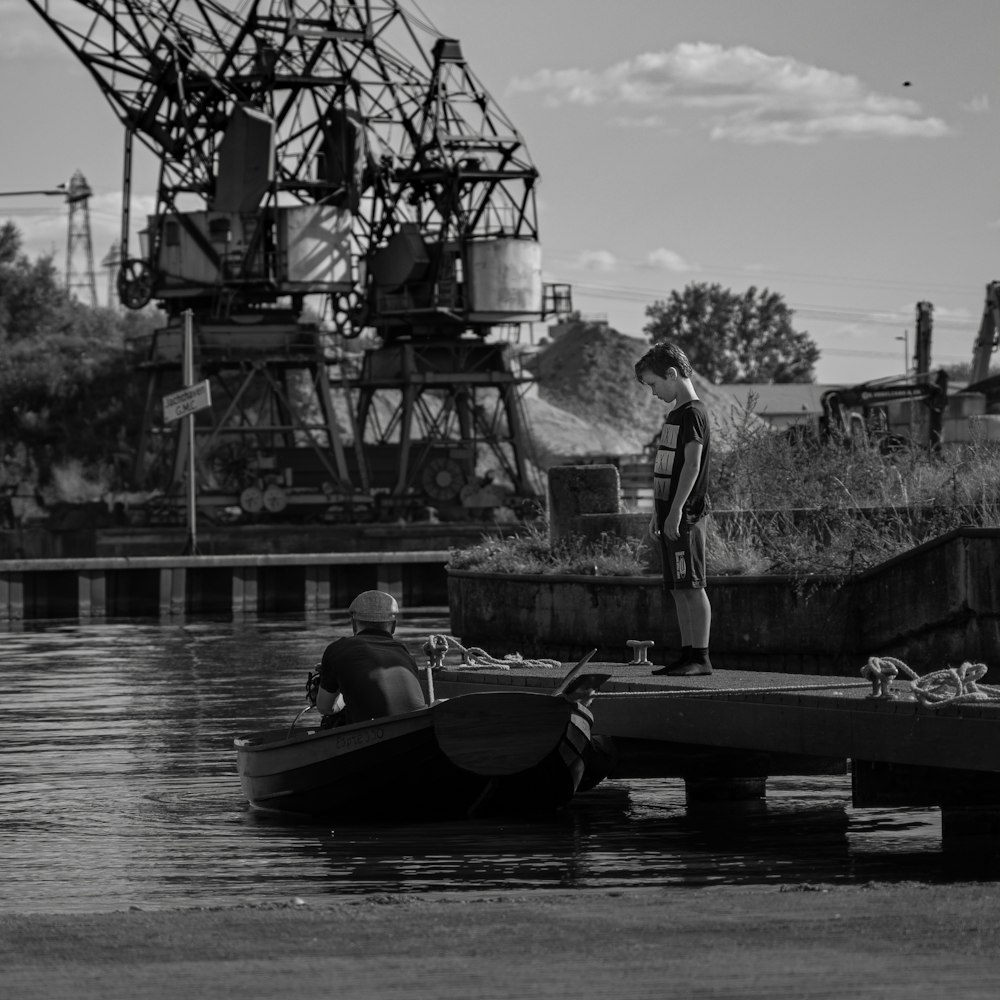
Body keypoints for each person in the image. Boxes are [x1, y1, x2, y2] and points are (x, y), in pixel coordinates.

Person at [634, 342, 713, 676]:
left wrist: (678, 509)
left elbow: (691, 467)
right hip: (670, 514)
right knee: (679, 587)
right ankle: (687, 654)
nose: (653, 392)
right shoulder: (674, 416)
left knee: (693, 585)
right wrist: (659, 510)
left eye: (653, 384)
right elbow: (667, 467)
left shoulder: (693, 413)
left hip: (687, 515)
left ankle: (701, 657)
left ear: (671, 374)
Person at [314, 590, 427, 726]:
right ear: (394, 626)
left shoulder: (338, 649)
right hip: (418, 726)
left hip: (375, 733)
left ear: (354, 624)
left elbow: (325, 708)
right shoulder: (404, 653)